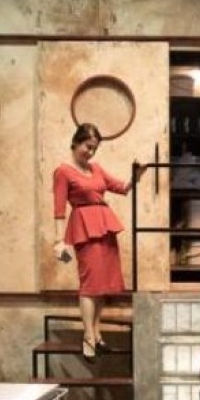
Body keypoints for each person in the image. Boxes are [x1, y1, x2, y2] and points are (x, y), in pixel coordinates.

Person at [53, 123, 143, 361]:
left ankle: (97, 332)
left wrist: (136, 176)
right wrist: (59, 241)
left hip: (105, 227)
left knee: (103, 284)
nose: (90, 152)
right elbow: (59, 209)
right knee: (90, 284)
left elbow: (122, 188)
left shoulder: (97, 169)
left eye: (94, 148)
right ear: (76, 142)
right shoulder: (63, 171)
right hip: (85, 228)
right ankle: (88, 337)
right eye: (87, 146)